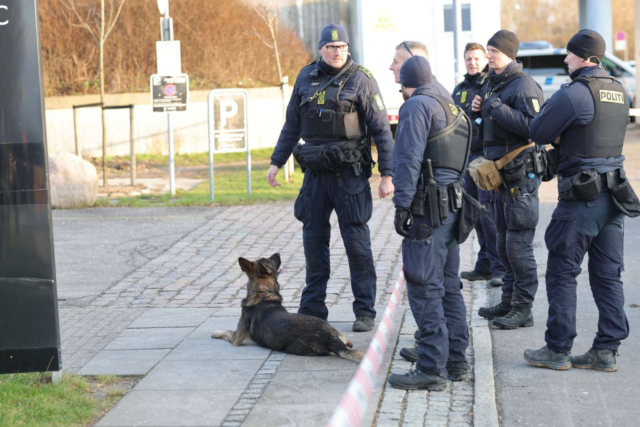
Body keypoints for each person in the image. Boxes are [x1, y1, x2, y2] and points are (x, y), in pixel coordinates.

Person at [266, 23, 394, 332]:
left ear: (348, 48)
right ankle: (312, 309)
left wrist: (388, 174)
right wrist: (276, 162)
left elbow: (381, 130)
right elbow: (291, 126)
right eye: (331, 47)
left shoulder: (362, 79)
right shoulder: (305, 77)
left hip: (349, 176)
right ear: (321, 49)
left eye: (342, 47)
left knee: (357, 244)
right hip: (315, 176)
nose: (337, 52)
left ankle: (364, 310)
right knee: (313, 242)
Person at [524, 29, 637, 371]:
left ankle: (557, 349)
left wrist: (561, 132)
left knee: (561, 271)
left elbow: (538, 131)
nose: (565, 60)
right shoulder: (620, 91)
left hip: (581, 199)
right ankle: (606, 350)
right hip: (614, 195)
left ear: (585, 59)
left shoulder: (575, 93)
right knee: (607, 276)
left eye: (570, 55)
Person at [387, 56, 472, 390]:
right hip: (453, 206)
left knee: (424, 286)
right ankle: (456, 360)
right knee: (449, 285)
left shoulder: (416, 106)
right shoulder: (454, 108)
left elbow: (407, 159)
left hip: (427, 208)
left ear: (406, 85)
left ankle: (430, 368)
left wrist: (402, 205)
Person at [472, 30, 545, 329]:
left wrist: (495, 108)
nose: (488, 56)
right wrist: (476, 109)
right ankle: (508, 302)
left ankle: (523, 309)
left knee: (518, 246)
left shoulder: (524, 85)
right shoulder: (491, 81)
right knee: (502, 242)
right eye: (488, 50)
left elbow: (534, 128)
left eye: (493, 51)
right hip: (498, 175)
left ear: (510, 54)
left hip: (521, 174)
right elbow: (486, 122)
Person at [453, 43, 505, 287]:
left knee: (488, 215)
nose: (472, 63)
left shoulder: (490, 85)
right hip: (464, 160)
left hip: (485, 159)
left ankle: (499, 268)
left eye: (476, 58)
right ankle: (484, 266)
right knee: (473, 214)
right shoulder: (460, 89)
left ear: (485, 59)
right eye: (468, 59)